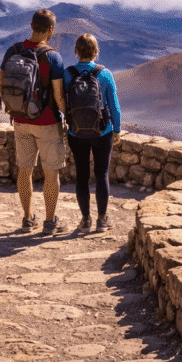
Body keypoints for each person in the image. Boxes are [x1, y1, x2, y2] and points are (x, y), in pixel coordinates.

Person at [0, 9, 68, 234]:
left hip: (20, 120)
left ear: (31, 26)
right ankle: (50, 222)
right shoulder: (53, 57)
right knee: (51, 173)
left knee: (25, 170)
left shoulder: (14, 50)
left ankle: (27, 219)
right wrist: (67, 117)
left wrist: (16, 107)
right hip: (47, 122)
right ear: (51, 30)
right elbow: (58, 96)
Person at [63, 33, 122, 232]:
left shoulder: (68, 74)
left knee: (81, 175)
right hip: (102, 132)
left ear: (76, 51)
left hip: (76, 133)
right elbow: (114, 106)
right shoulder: (105, 74)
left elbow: (62, 102)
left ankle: (85, 220)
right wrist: (117, 130)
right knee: (102, 174)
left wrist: (70, 121)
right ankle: (102, 219)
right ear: (96, 51)